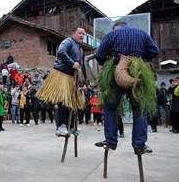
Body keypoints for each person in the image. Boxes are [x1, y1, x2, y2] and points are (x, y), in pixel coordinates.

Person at [94, 22, 160, 155]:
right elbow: (155, 50)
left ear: (116, 27)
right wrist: (140, 60)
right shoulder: (141, 33)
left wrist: (108, 64)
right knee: (140, 109)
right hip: (137, 72)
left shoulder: (112, 34)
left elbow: (99, 54)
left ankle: (111, 141)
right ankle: (139, 145)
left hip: (116, 72)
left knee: (110, 107)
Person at [36, 26, 86, 136]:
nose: (82, 35)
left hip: (71, 78)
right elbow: (61, 52)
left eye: (83, 34)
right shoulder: (68, 41)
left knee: (72, 101)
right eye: (80, 33)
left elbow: (80, 63)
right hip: (61, 74)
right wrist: (72, 64)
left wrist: (79, 69)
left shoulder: (80, 49)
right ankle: (62, 126)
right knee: (63, 101)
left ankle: (71, 125)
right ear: (73, 33)